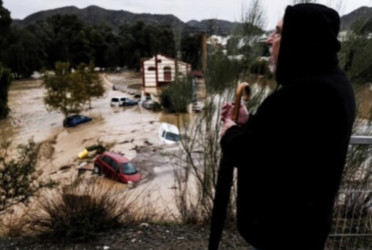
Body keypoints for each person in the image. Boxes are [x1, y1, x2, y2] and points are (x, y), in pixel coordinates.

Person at [219, 3, 355, 250]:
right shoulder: (334, 83)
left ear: (300, 39)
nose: (270, 39)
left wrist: (229, 133)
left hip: (282, 235)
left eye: (279, 32)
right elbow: (286, 146)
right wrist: (247, 122)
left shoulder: (303, 93)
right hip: (304, 229)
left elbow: (252, 155)